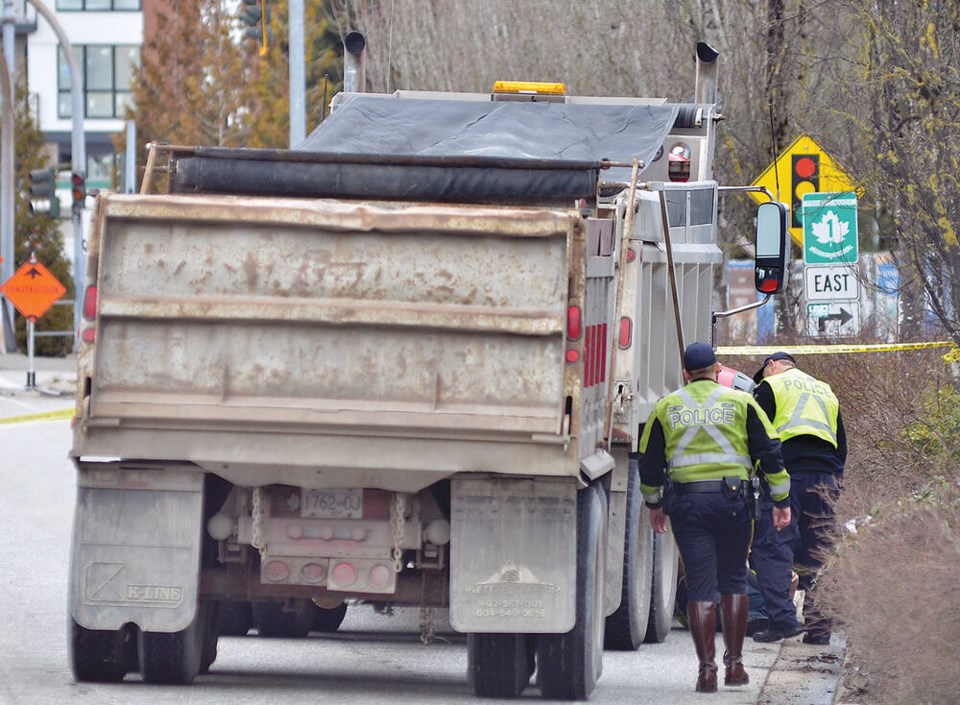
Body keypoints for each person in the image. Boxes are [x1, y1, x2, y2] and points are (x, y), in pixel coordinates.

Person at [638, 342, 792, 693]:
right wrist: (781, 500)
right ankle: (735, 666)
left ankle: (706, 671)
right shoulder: (742, 402)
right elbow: (769, 451)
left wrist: (654, 505)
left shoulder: (667, 407)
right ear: (717, 368)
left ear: (686, 374)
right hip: (734, 503)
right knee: (735, 578)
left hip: (688, 506)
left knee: (700, 583)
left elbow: (649, 463)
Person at [749, 351, 846, 645]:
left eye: (764, 372)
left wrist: (756, 473)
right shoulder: (825, 390)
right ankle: (819, 628)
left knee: (772, 549)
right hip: (825, 480)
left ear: (771, 365)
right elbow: (841, 443)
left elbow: (755, 434)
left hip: (787, 478)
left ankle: (783, 620)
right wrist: (835, 481)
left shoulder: (771, 386)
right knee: (821, 552)